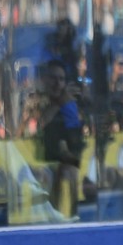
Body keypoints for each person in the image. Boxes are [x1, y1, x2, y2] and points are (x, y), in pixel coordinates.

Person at [38, 60, 85, 219]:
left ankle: (73, 216)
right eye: (53, 78)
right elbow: (39, 123)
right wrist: (60, 102)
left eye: (62, 79)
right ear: (44, 79)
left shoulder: (70, 105)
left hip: (68, 160)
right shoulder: (36, 100)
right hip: (41, 163)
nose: (58, 83)